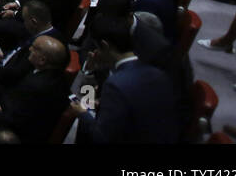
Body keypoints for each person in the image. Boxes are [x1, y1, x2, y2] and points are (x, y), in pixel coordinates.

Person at [71, 14, 179, 143]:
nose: (94, 53)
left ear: (105, 46)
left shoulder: (116, 84)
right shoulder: (155, 71)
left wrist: (82, 113)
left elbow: (100, 137)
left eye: (95, 47)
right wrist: (90, 71)